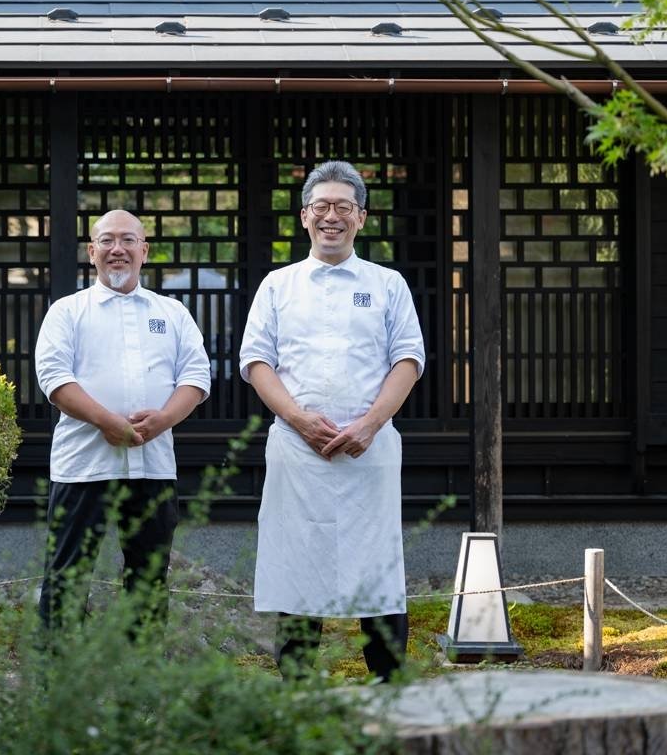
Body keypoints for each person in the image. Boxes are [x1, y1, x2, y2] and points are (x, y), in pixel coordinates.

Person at [238, 161, 425, 681]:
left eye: (344, 206)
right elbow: (256, 361)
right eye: (321, 206)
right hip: (298, 451)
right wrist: (298, 418)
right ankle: (296, 686)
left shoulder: (387, 284)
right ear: (304, 216)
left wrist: (370, 423)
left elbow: (408, 359)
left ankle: (389, 683)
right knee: (298, 562)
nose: (331, 216)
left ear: (361, 217)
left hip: (369, 449)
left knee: (377, 565)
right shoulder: (278, 285)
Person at [34, 209, 211, 631]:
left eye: (128, 240)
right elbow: (54, 378)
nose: (118, 249)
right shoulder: (68, 311)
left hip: (153, 466)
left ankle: (142, 669)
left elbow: (196, 376)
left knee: (148, 581)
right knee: (67, 576)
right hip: (83, 466)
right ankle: (59, 669)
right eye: (108, 240)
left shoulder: (172, 312)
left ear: (144, 251)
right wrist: (105, 421)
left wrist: (164, 419)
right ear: (91, 251)